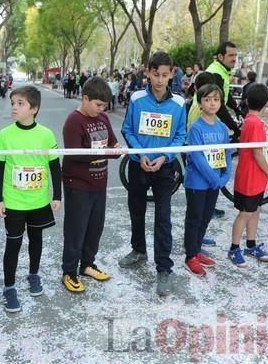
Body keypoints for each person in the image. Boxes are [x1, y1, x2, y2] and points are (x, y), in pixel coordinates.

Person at [119, 51, 186, 297]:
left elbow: (181, 136)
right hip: (139, 165)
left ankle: (164, 268)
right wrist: (140, 154)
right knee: (136, 210)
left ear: (172, 74)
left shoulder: (179, 104)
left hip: (164, 168)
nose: (159, 80)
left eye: (165, 75)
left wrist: (164, 157)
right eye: (155, 74)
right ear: (147, 72)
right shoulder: (137, 98)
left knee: (163, 217)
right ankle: (138, 250)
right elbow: (127, 129)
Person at [0, 86, 62, 311]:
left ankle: (33, 274)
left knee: (36, 239)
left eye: (20, 103)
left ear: (34, 108)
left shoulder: (46, 134)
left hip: (38, 201)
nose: (14, 107)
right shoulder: (5, 135)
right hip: (13, 201)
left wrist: (57, 195)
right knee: (13, 244)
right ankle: (9, 287)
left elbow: (54, 166)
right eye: (13, 103)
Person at [61, 78, 121, 293]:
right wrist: (106, 152)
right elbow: (75, 154)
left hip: (99, 183)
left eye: (104, 105)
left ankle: (87, 264)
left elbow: (112, 142)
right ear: (84, 98)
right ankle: (69, 271)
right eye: (97, 104)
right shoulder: (73, 121)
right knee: (76, 229)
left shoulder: (103, 118)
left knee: (95, 228)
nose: (101, 109)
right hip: (77, 184)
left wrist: (116, 149)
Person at [183, 84, 232, 276]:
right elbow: (197, 158)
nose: (212, 103)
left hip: (216, 182)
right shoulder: (196, 127)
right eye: (207, 99)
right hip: (198, 182)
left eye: (216, 99)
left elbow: (226, 153)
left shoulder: (221, 127)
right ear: (200, 102)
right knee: (194, 219)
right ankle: (190, 256)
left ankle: (196, 249)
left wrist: (225, 175)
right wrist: (214, 178)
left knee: (206, 217)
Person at [228, 83, 268, 267]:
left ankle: (251, 244)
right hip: (250, 177)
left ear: (246, 100)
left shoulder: (250, 120)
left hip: (254, 177)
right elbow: (257, 152)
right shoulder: (255, 123)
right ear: (267, 103)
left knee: (255, 211)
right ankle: (234, 248)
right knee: (245, 213)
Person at [204, 41, 242, 139]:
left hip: (212, 118)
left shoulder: (222, 70)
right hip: (205, 120)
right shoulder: (215, 72)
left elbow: (225, 94)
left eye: (235, 55)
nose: (234, 59)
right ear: (220, 57)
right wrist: (235, 129)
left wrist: (237, 109)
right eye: (230, 55)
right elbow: (217, 106)